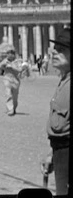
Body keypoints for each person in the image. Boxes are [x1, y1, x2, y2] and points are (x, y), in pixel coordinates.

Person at [41, 27, 69, 196]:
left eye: (62, 50)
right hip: (60, 152)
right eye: (55, 49)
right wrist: (53, 154)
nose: (54, 53)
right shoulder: (63, 80)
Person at [0, 48, 28, 116]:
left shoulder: (18, 61)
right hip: (7, 79)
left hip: (15, 80)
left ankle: (14, 108)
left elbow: (20, 69)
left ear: (13, 55)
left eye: (10, 54)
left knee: (15, 97)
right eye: (8, 54)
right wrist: (1, 66)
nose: (9, 55)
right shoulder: (5, 61)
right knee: (8, 94)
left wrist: (12, 66)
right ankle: (10, 110)